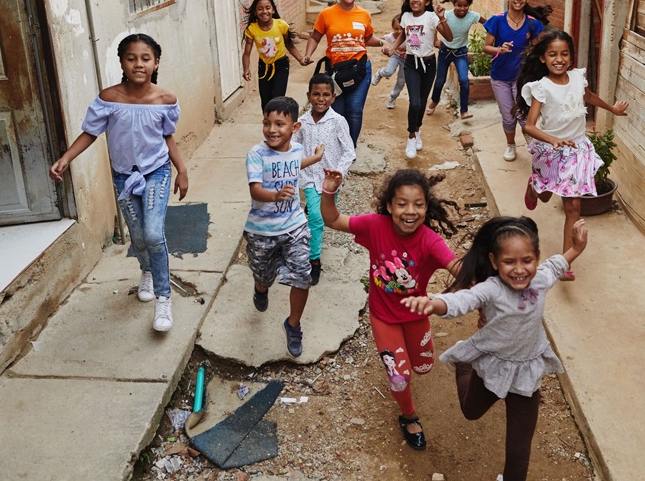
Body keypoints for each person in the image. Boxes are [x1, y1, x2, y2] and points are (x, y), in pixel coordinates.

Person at [403, 216, 588, 481]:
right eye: (509, 262)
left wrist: (576, 249)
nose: (519, 269)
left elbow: (557, 264)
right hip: (493, 366)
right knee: (471, 411)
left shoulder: (541, 279)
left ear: (536, 256)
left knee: (519, 449)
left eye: (527, 260)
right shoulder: (491, 289)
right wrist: (436, 304)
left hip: (526, 376)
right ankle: (465, 364)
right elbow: (464, 300)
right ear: (494, 261)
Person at [49, 34, 188, 332]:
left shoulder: (165, 99)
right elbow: (90, 132)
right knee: (137, 237)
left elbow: (167, 137)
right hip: (125, 176)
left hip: (157, 172)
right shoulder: (109, 99)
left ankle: (164, 297)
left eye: (145, 58)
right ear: (122, 63)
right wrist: (66, 158)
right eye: (131, 58)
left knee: (153, 233)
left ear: (156, 63)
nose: (139, 64)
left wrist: (182, 169)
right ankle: (147, 271)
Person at [320, 168, 460, 451]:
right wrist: (329, 191)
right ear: (388, 206)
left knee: (422, 367)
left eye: (418, 204)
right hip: (383, 317)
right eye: (402, 203)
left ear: (426, 207)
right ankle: (409, 416)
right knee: (400, 375)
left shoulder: (430, 241)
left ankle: (408, 362)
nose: (410, 211)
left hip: (416, 316)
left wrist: (488, 268)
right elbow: (332, 219)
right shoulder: (374, 226)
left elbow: (457, 267)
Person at [516, 30, 628, 280]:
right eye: (553, 54)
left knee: (573, 206)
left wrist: (612, 109)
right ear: (543, 59)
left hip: (576, 150)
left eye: (564, 54)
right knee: (546, 195)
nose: (559, 59)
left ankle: (564, 264)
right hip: (550, 150)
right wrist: (554, 139)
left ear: (571, 57)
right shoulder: (541, 87)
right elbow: (530, 126)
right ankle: (535, 187)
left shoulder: (578, 78)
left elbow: (587, 97)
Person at [245, 96, 324, 357]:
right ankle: (260, 288)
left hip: (294, 227)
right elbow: (256, 190)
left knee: (303, 276)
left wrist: (315, 158)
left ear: (295, 127)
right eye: (267, 123)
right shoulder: (256, 154)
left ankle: (293, 325)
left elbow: (293, 165)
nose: (272, 129)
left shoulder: (297, 150)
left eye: (280, 123)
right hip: (262, 231)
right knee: (263, 275)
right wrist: (275, 195)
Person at [303, 0, 385, 146]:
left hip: (360, 69)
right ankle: (336, 147)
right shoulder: (326, 14)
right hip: (335, 72)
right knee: (336, 112)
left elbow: (368, 38)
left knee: (354, 111)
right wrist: (308, 54)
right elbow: (315, 37)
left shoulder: (364, 14)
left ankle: (350, 148)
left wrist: (383, 44)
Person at [293, 74, 356, 286]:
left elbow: (349, 151)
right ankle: (314, 260)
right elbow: (293, 147)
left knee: (326, 216)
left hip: (331, 181)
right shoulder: (301, 122)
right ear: (309, 96)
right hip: (310, 178)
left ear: (333, 97)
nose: (321, 99)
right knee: (318, 220)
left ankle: (311, 214)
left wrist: (339, 172)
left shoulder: (338, 121)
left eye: (326, 94)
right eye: (316, 94)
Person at [384, 0, 454, 159]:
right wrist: (393, 48)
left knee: (422, 102)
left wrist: (442, 18)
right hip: (411, 63)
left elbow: (449, 37)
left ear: (428, 1)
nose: (416, 0)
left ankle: (417, 129)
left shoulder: (432, 17)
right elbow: (404, 34)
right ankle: (410, 136)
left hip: (429, 65)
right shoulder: (406, 16)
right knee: (414, 102)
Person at [483, 0, 550, 162]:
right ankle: (511, 145)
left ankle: (532, 144)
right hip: (500, 77)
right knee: (509, 118)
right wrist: (499, 49)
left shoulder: (532, 23)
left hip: (522, 78)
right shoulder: (497, 20)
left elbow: (537, 50)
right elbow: (486, 47)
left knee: (524, 116)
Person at [428, 0, 487, 120]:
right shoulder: (447, 15)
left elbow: (489, 24)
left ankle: (464, 110)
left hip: (461, 52)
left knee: (464, 80)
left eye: (466, 5)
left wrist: (494, 35)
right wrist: (435, 40)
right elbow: (434, 25)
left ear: (469, 4)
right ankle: (434, 101)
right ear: (454, 3)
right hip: (445, 51)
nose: (462, 8)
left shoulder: (473, 16)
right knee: (440, 80)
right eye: (459, 5)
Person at [242, 0, 305, 111]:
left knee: (277, 100)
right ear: (255, 12)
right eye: (260, 9)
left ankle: (278, 126)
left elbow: (289, 44)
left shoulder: (281, 25)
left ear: (273, 10)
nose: (264, 11)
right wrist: (246, 69)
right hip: (264, 68)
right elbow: (246, 53)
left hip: (281, 66)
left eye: (268, 8)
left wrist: (300, 59)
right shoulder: (252, 29)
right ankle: (269, 126)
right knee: (265, 103)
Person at [371, 14, 407, 110]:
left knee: (401, 81)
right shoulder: (389, 37)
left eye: (401, 29)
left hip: (406, 60)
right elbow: (380, 40)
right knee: (389, 72)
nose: (399, 31)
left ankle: (393, 97)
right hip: (395, 56)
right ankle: (380, 73)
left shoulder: (408, 37)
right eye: (396, 29)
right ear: (392, 28)